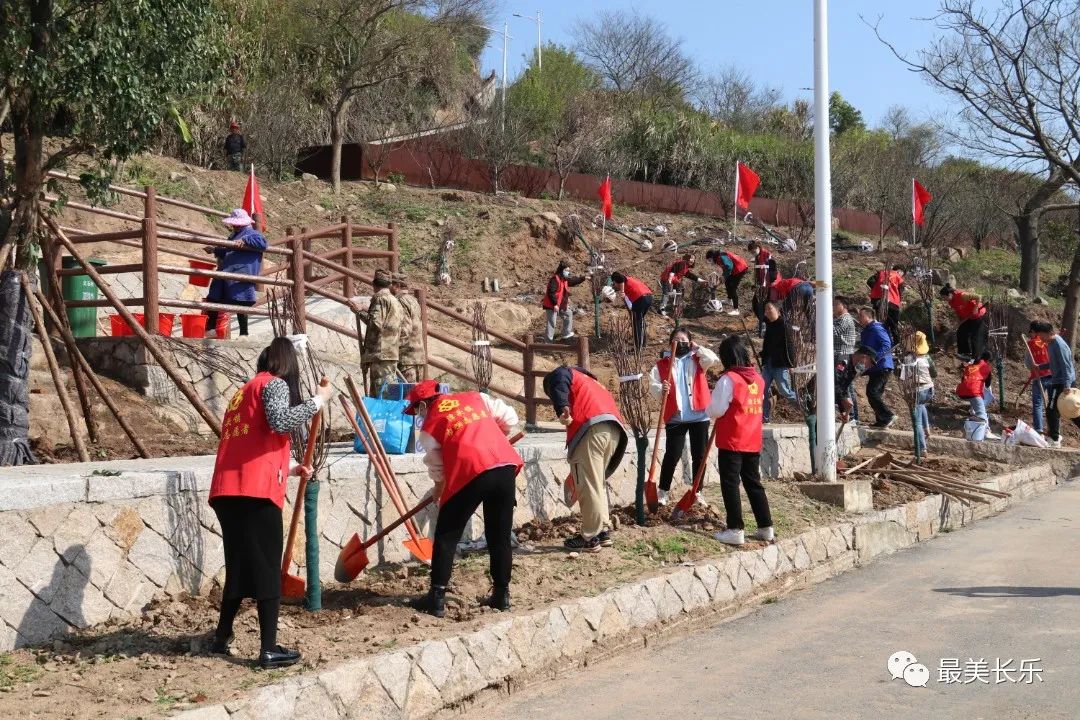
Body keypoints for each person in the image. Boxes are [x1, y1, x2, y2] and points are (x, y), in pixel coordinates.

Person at [207, 337, 335, 668]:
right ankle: (268, 648)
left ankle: (221, 637)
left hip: (228, 492)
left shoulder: (242, 393)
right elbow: (280, 421)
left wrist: (290, 467)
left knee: (239, 567)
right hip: (254, 494)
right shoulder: (273, 385)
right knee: (266, 568)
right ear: (287, 365)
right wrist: (316, 402)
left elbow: (253, 441)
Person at [405, 380, 523, 617]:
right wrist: (493, 437)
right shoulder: (475, 397)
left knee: (447, 534)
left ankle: (436, 598)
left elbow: (436, 464)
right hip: (504, 466)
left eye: (417, 408)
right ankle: (502, 595)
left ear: (425, 404)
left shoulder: (431, 423)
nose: (418, 414)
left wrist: (439, 487)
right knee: (499, 534)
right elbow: (510, 418)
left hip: (472, 471)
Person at [543, 365, 628, 552]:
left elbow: (559, 380)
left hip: (591, 430)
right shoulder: (592, 382)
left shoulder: (563, 373)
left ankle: (590, 537)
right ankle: (603, 531)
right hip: (613, 431)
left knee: (587, 484)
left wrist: (561, 407)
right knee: (597, 483)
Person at [706, 335, 772, 546]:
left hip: (732, 440)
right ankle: (766, 527)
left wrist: (709, 406)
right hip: (752, 439)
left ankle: (735, 529)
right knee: (754, 483)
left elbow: (716, 410)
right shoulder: (759, 379)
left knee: (730, 484)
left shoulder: (729, 380)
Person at [649, 328, 719, 506]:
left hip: (699, 415)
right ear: (670, 341)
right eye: (676, 339)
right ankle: (663, 491)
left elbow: (713, 359)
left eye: (683, 339)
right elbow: (653, 385)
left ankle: (697, 491)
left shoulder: (697, 359)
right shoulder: (662, 364)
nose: (679, 342)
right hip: (676, 416)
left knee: (699, 456)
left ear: (689, 341)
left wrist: (697, 347)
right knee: (672, 454)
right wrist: (661, 389)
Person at [205, 208, 266, 337]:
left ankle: (244, 333)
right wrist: (215, 250)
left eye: (236, 224)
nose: (234, 226)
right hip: (226, 272)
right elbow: (228, 251)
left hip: (241, 274)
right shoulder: (233, 235)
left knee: (241, 303)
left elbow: (263, 243)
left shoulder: (252, 234)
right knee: (213, 297)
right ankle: (211, 329)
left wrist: (245, 241)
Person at [1032, 321, 1079, 448]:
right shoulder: (1051, 343)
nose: (1040, 338)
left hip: (1063, 382)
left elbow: (1066, 366)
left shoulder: (1059, 344)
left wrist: (1067, 385)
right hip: (1058, 380)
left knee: (1056, 409)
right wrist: (1040, 367)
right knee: (1067, 411)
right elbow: (1054, 364)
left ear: (1048, 333)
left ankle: (1054, 438)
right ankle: (1055, 436)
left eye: (1041, 335)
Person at [362, 269, 404, 395]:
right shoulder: (395, 301)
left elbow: (376, 323)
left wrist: (359, 312)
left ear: (374, 285)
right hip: (391, 351)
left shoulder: (380, 299)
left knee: (381, 392)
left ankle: (381, 415)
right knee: (386, 388)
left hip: (380, 353)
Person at [760, 301, 799, 423]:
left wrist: (791, 364)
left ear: (778, 310)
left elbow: (790, 346)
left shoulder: (785, 326)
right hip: (768, 364)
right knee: (762, 390)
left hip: (780, 364)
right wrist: (762, 355)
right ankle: (765, 418)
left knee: (784, 390)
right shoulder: (769, 326)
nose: (767, 312)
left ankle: (805, 406)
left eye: (769, 309)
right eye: (765, 310)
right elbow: (767, 346)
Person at [857, 306, 895, 427]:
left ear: (868, 317)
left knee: (872, 392)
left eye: (861, 316)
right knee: (875, 393)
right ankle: (882, 420)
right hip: (874, 367)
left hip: (882, 365)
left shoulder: (877, 329)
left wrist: (874, 358)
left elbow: (886, 345)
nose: (859, 319)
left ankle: (888, 415)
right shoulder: (866, 331)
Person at [903, 331, 936, 448]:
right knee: (922, 405)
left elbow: (905, 377)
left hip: (918, 389)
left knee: (916, 422)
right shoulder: (927, 357)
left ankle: (922, 448)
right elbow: (934, 373)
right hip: (929, 388)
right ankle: (927, 430)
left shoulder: (909, 359)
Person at [391, 273, 426, 382]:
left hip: (406, 357)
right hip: (418, 355)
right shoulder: (413, 300)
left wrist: (392, 348)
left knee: (407, 395)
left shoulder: (400, 301)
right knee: (417, 395)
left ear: (397, 286)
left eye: (390, 284)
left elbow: (405, 330)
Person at [939, 284, 988, 359]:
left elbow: (978, 296)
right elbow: (958, 311)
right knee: (961, 332)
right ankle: (964, 353)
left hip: (978, 315)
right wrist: (958, 322)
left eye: (944, 297)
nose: (944, 299)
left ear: (949, 294)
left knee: (975, 337)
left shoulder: (962, 295)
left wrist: (975, 308)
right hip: (969, 316)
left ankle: (975, 358)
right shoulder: (951, 301)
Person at [543, 261, 588, 341]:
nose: (568, 272)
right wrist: (555, 304)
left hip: (560, 304)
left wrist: (583, 278)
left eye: (568, 270)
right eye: (566, 270)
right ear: (562, 270)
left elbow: (574, 281)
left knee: (568, 313)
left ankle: (566, 333)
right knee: (552, 323)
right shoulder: (555, 279)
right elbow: (551, 292)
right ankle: (548, 341)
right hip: (551, 305)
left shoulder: (564, 279)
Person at [832, 296, 860, 424]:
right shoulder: (839, 319)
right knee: (846, 385)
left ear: (843, 305)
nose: (833, 307)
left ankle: (852, 415)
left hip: (843, 356)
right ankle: (851, 415)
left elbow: (834, 332)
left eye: (835, 304)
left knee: (842, 384)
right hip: (840, 355)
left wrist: (824, 321)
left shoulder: (845, 319)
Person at [610, 271, 653, 349]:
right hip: (648, 297)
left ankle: (638, 346)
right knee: (640, 321)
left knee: (637, 324)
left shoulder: (623, 279)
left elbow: (621, 278)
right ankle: (642, 343)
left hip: (640, 298)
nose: (615, 285)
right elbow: (630, 305)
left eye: (614, 283)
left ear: (615, 280)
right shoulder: (630, 282)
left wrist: (622, 292)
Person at [1025, 322, 1053, 434]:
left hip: (1038, 377)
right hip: (1052, 375)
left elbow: (1027, 363)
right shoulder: (1048, 341)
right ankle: (1054, 430)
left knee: (1037, 403)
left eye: (1030, 332)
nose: (1030, 335)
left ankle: (1039, 429)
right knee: (1052, 403)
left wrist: (1033, 368)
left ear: (1033, 331)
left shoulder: (1030, 344)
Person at [867, 265, 906, 342]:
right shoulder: (897, 276)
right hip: (892, 303)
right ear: (900, 271)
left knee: (882, 324)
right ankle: (896, 343)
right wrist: (899, 300)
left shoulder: (881, 273)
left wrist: (877, 290)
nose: (902, 276)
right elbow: (901, 290)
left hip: (878, 301)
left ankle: (884, 342)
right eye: (903, 274)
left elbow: (870, 281)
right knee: (893, 325)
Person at [705, 248, 748, 316]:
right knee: (727, 282)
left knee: (732, 288)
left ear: (713, 257)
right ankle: (729, 300)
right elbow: (724, 268)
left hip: (740, 269)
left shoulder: (721, 257)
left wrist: (724, 276)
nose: (711, 262)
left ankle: (736, 309)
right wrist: (722, 277)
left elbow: (729, 266)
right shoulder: (718, 258)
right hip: (734, 270)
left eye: (710, 260)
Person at [748, 241, 779, 335]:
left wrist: (767, 284)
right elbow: (757, 272)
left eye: (754, 251)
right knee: (755, 304)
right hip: (762, 285)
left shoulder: (767, 254)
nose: (753, 253)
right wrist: (756, 283)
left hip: (771, 285)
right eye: (751, 252)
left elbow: (771, 271)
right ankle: (765, 323)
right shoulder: (757, 257)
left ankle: (771, 325)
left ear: (758, 247)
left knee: (767, 306)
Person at [956, 351, 993, 427]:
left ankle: (972, 414)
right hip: (974, 392)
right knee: (982, 415)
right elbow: (988, 384)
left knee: (973, 399)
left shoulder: (970, 366)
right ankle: (984, 432)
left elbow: (963, 380)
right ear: (988, 360)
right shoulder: (986, 367)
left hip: (961, 391)